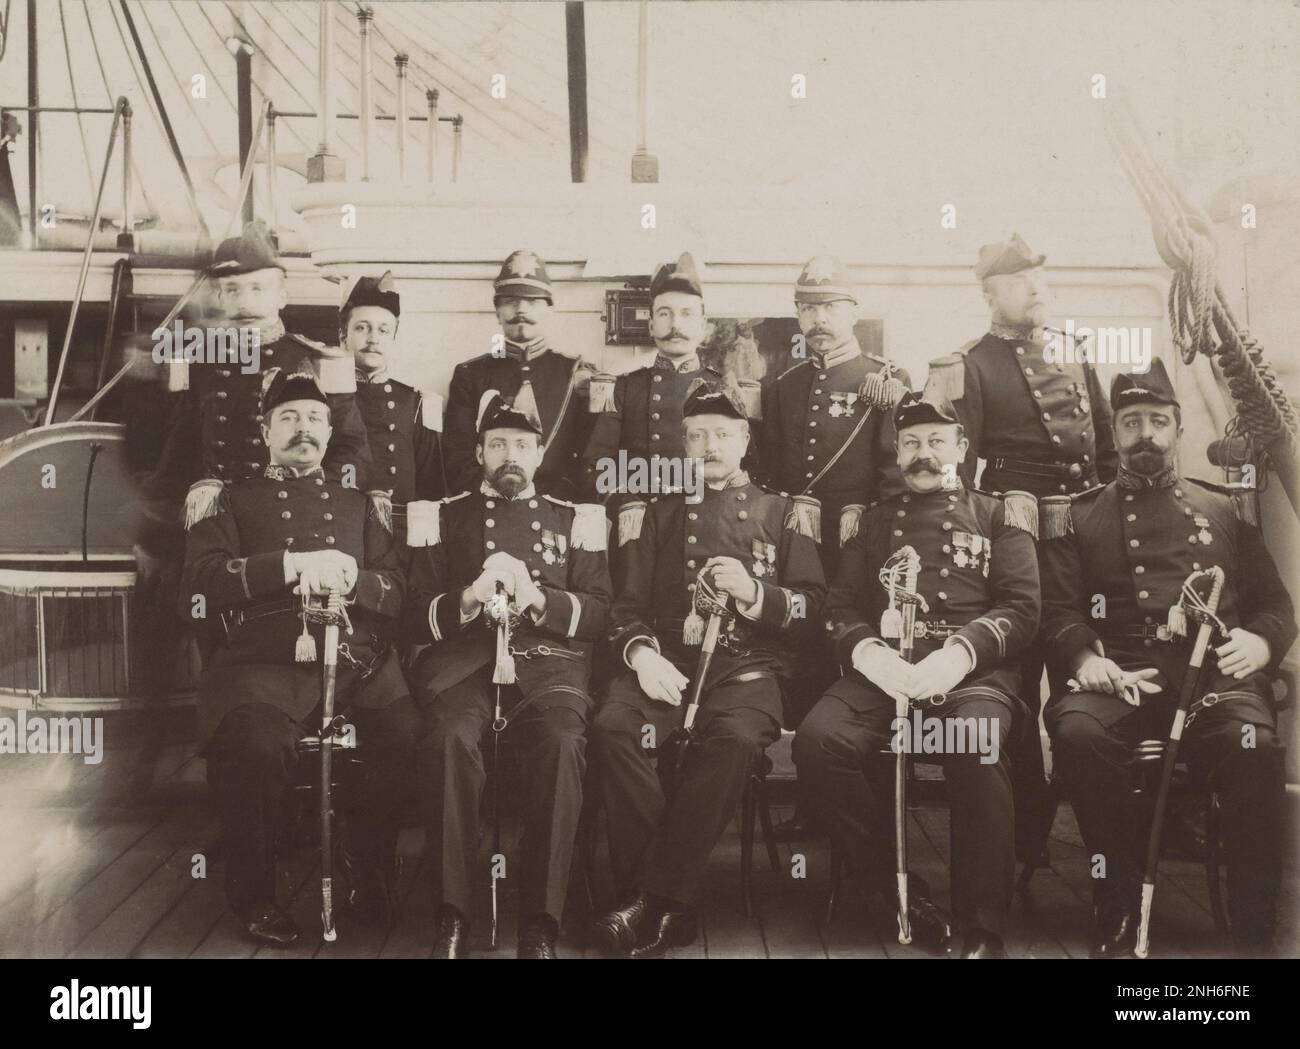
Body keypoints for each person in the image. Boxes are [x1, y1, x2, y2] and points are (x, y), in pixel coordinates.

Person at [1040, 359, 1295, 958]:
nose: (1146, 434)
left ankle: (1255, 921)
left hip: (1212, 683)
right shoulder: (1079, 515)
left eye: (1158, 420)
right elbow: (1057, 610)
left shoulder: (1226, 511)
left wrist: (1258, 643)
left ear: (1178, 429)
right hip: (1120, 680)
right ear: (1115, 433)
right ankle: (1116, 899)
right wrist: (1083, 658)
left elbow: (1275, 606)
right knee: (1077, 734)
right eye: (1131, 422)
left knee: (1253, 748)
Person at [794, 393, 1040, 958]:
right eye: (910, 443)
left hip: (968, 675)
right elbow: (840, 608)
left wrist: (955, 654)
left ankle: (981, 924)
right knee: (817, 743)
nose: (922, 454)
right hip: (886, 673)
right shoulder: (873, 522)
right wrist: (873, 656)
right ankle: (894, 883)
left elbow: (1023, 609)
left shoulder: (1000, 514)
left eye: (935, 442)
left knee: (973, 744)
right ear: (896, 452)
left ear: (960, 447)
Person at [591, 382, 826, 958]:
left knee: (733, 743)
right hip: (666, 667)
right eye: (696, 435)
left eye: (722, 433)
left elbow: (813, 610)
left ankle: (651, 899)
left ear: (745, 438)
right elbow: (626, 609)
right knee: (613, 730)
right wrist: (643, 656)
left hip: (748, 671)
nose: (709, 445)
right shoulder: (653, 513)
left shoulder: (785, 511)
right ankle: (674, 901)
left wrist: (753, 593)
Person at [184, 363, 414, 946]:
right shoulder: (228, 500)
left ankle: (370, 872)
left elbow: (396, 588)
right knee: (258, 743)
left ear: (329, 433)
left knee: (406, 733)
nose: (303, 428)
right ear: (265, 431)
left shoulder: (360, 505)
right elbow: (201, 582)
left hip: (357, 662)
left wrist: (355, 579)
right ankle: (255, 894)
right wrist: (287, 566)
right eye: (288, 418)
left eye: (314, 418)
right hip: (265, 661)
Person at [923, 233, 1118, 859]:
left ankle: (1108, 837)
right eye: (1019, 280)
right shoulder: (971, 363)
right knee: (1017, 689)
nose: (1036, 288)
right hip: (1021, 543)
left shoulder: (1073, 353)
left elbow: (1108, 456)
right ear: (989, 293)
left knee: (1086, 682)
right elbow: (962, 471)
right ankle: (1022, 841)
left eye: (1039, 276)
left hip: (1087, 539)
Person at [403, 389, 611, 958]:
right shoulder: (442, 516)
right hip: (464, 665)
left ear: (540, 454)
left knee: (564, 743)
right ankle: (452, 912)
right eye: (498, 444)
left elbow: (597, 612)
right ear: (478, 451)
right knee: (446, 739)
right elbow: (413, 609)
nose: (510, 454)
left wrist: (538, 598)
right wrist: (469, 596)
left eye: (522, 444)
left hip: (549, 669)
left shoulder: (578, 520)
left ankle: (541, 921)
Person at [758, 255, 910, 835]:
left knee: (858, 659)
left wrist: (866, 523)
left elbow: (896, 474)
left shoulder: (882, 380)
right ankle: (815, 799)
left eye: (830, 307)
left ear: (852, 312)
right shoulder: (783, 386)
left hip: (859, 550)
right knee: (809, 659)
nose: (819, 318)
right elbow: (772, 471)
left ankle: (864, 802)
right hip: (801, 549)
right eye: (809, 308)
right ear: (798, 315)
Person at [158, 222, 373, 529]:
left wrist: (316, 490)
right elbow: (176, 454)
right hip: (215, 514)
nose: (245, 301)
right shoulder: (196, 362)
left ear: (282, 297)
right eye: (232, 290)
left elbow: (353, 452)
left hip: (293, 513)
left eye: (258, 288)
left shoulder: (319, 361)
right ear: (219, 298)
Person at [582, 251, 727, 575]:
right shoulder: (624, 388)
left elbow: (748, 472)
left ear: (703, 325)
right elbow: (595, 466)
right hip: (641, 530)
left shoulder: (725, 390)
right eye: (665, 314)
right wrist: (626, 502)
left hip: (710, 531)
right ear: (651, 323)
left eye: (687, 314)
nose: (675, 325)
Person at [442, 250, 594, 501]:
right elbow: (457, 456)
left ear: (549, 310)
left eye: (533, 302)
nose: (521, 309)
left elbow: (587, 455)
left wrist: (555, 506)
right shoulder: (470, 374)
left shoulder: (574, 372)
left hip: (558, 510)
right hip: (486, 512)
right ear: (497, 311)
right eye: (511, 301)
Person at [341, 271, 447, 540]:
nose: (373, 338)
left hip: (400, 532)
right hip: (344, 526)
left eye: (383, 330)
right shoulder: (325, 398)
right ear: (343, 336)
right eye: (362, 328)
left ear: (393, 338)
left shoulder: (419, 402)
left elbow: (431, 487)